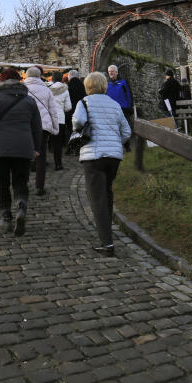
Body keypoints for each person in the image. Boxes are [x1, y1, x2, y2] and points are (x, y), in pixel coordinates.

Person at [72, 71, 132, 257]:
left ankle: (107, 243)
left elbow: (79, 121)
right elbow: (127, 131)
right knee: (106, 192)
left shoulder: (84, 102)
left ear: (87, 86)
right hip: (113, 156)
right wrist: (115, 143)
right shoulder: (114, 104)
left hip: (93, 155)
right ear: (104, 86)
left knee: (97, 197)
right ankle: (108, 231)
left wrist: (79, 129)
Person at [0, 67, 40, 236]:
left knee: (2, 183)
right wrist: (36, 147)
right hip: (23, 146)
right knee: (21, 181)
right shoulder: (29, 101)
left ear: (1, 81)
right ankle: (21, 206)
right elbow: (37, 127)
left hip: (0, 147)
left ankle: (6, 218)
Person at [23, 66, 60, 196]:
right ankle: (40, 186)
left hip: (26, 126)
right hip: (43, 126)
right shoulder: (46, 90)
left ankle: (23, 186)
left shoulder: (22, 89)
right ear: (39, 76)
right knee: (41, 156)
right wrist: (55, 128)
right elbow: (52, 111)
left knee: (24, 157)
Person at [48, 71, 72, 170]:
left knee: (43, 141)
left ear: (52, 78)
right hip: (60, 119)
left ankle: (39, 163)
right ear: (62, 78)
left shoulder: (47, 89)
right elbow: (68, 107)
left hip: (48, 118)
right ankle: (58, 164)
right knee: (58, 143)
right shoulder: (65, 90)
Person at [66, 69, 86, 155]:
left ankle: (70, 148)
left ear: (70, 76)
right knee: (79, 130)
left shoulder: (68, 86)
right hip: (80, 111)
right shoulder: (83, 85)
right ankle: (78, 149)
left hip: (70, 111)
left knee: (70, 130)